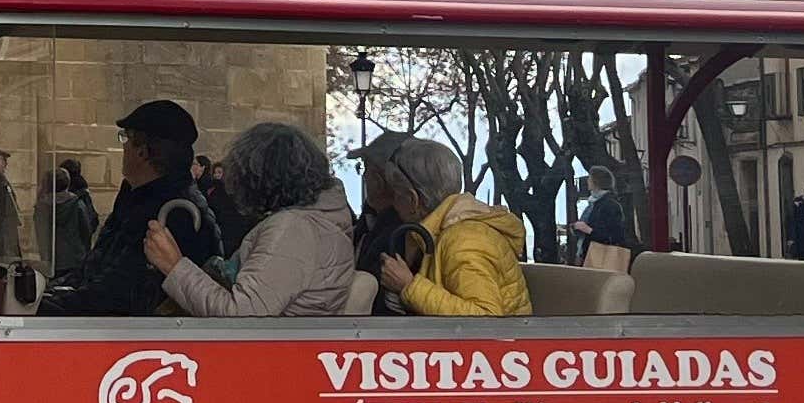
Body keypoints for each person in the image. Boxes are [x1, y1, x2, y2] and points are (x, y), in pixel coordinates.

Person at [37, 100, 223, 315]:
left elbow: (122, 293)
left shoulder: (177, 212)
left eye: (125, 138)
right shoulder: (136, 197)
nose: (123, 147)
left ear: (143, 152)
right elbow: (96, 269)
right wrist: (50, 293)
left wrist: (47, 307)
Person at [151, 121, 353, 316]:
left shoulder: (292, 229)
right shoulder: (314, 221)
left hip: (271, 339)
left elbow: (242, 316)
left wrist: (174, 266)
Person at [355, 131, 527, 317]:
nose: (394, 205)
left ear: (412, 199)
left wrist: (408, 286)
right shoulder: (442, 233)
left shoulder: (464, 241)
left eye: (397, 194)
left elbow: (486, 318)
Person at [44, 159, 98, 273]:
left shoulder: (42, 205)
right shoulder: (77, 202)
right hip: (75, 257)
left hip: (53, 257)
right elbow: (87, 228)